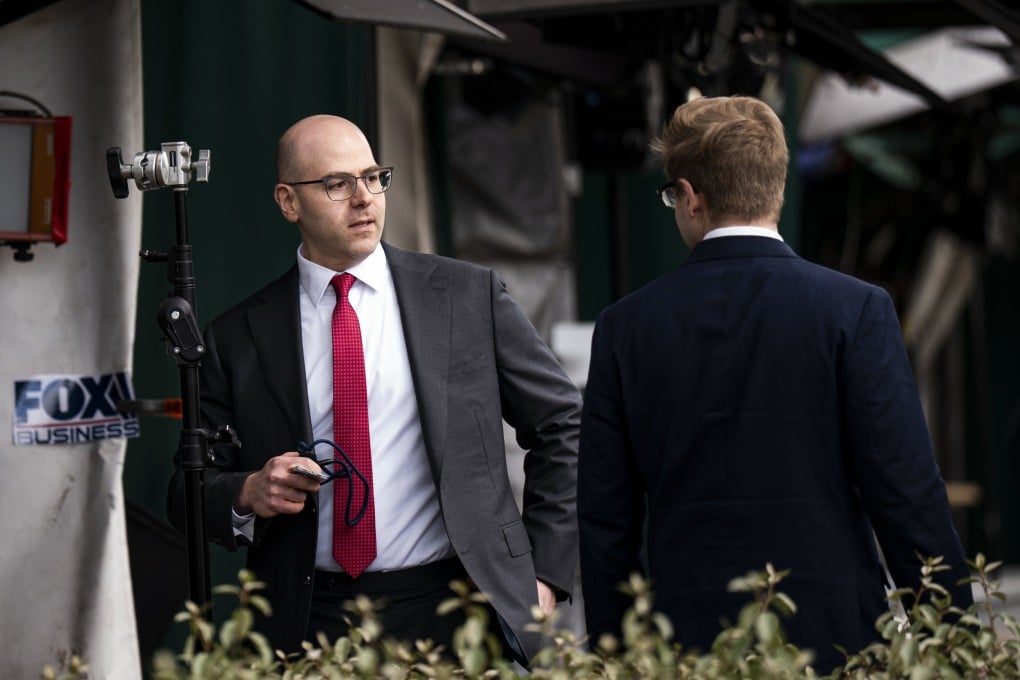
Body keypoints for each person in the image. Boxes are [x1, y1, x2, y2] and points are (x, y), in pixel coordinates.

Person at [166, 114, 582, 664]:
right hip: (308, 617)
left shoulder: (466, 295)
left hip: (458, 604)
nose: (363, 198)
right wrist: (247, 493)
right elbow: (187, 491)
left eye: (373, 177)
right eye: (337, 184)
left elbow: (562, 423)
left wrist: (546, 573)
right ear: (289, 202)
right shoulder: (236, 337)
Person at [577, 95, 973, 672]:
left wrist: (615, 655)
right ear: (777, 186)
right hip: (836, 641)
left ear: (689, 197)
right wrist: (958, 645)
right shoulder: (855, 311)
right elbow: (908, 496)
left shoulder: (625, 327)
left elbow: (606, 521)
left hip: (684, 646)